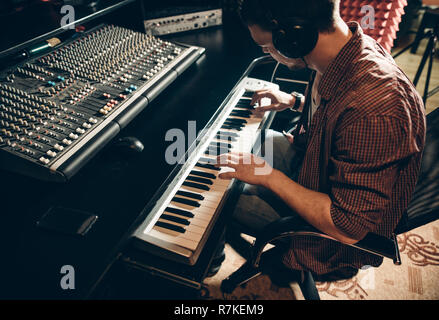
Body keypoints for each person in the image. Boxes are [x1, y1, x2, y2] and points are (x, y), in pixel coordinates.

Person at [213, 0, 426, 281]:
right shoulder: (345, 50)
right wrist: (294, 101)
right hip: (312, 166)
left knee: (213, 203)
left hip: (331, 237)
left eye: (266, 48)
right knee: (225, 152)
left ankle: (208, 264)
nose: (267, 54)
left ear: (293, 38)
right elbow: (339, 118)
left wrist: (268, 177)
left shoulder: (374, 107)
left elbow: (347, 227)